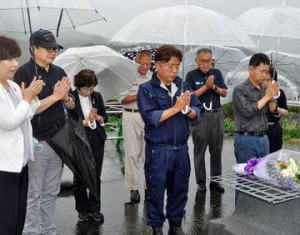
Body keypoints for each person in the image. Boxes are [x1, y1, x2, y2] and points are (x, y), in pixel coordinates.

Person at [14, 29, 75, 235]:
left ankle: (49, 230)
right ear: (33, 49)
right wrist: (57, 96)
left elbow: (72, 105)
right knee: (33, 193)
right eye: (47, 48)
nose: (52, 52)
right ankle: (30, 231)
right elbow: (28, 109)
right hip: (36, 140)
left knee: (51, 192)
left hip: (59, 140)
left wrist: (65, 97)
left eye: (55, 48)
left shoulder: (59, 72)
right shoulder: (23, 73)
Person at [137, 45, 202, 235]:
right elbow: (151, 118)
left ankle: (175, 223)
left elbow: (197, 112)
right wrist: (176, 107)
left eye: (177, 66)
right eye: (169, 66)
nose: (174, 70)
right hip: (159, 150)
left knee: (179, 189)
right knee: (156, 190)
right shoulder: (146, 90)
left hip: (181, 149)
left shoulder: (183, 86)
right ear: (157, 66)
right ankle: (156, 225)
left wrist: (188, 110)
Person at [0, 35, 43, 235]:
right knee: (6, 221)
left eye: (17, 59)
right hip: (4, 166)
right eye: (9, 59)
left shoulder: (14, 86)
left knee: (18, 218)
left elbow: (26, 115)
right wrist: (26, 100)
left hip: (21, 163)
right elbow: (9, 122)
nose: (15, 64)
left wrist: (31, 98)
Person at [186, 48, 227, 194]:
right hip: (200, 117)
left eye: (208, 61)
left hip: (216, 115)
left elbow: (224, 92)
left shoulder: (216, 74)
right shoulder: (191, 75)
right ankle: (201, 183)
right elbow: (190, 96)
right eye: (202, 61)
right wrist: (205, 87)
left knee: (216, 150)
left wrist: (214, 87)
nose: (205, 64)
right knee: (199, 151)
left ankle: (216, 182)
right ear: (196, 61)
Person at [69, 69, 107, 222]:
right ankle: (82, 209)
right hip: (79, 139)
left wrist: (97, 117)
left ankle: (95, 208)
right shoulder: (70, 98)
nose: (88, 91)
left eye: (91, 88)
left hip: (96, 138)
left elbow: (105, 117)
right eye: (86, 88)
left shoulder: (97, 96)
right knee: (79, 175)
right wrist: (85, 121)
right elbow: (69, 123)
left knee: (95, 175)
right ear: (78, 86)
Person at [118, 50, 152, 202]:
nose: (144, 66)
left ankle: (148, 186)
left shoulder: (154, 77)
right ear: (135, 62)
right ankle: (133, 188)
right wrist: (140, 95)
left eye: (147, 63)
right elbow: (122, 100)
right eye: (141, 63)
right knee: (131, 154)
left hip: (149, 117)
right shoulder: (127, 77)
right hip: (131, 115)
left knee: (149, 154)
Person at [233, 53, 279, 164]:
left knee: (262, 176)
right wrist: (267, 96)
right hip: (246, 139)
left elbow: (272, 110)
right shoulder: (240, 90)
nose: (264, 75)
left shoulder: (264, 90)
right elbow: (248, 111)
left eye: (267, 72)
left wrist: (272, 97)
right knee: (246, 177)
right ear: (250, 69)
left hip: (263, 138)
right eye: (261, 71)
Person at [262, 66, 288, 153]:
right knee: (262, 157)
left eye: (269, 79)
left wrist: (277, 109)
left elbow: (285, 111)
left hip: (275, 127)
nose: (266, 82)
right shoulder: (260, 92)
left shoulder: (280, 93)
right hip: (262, 127)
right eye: (264, 79)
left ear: (274, 80)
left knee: (275, 155)